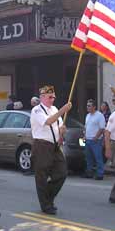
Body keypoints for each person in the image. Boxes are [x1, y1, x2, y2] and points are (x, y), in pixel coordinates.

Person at [30, 85, 72, 215]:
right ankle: (46, 205)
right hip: (42, 146)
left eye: (53, 97)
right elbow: (48, 121)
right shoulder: (37, 110)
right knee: (42, 176)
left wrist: (62, 131)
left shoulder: (54, 109)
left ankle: (47, 197)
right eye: (49, 97)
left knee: (62, 173)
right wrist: (63, 110)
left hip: (54, 146)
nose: (52, 99)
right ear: (42, 97)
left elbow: (58, 125)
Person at [83, 99, 106, 180]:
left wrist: (96, 137)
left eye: (89, 106)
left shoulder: (99, 115)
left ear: (94, 107)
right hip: (88, 139)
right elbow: (86, 127)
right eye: (87, 105)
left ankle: (100, 174)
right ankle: (89, 172)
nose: (87, 107)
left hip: (96, 140)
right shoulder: (87, 116)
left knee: (98, 157)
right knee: (88, 157)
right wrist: (84, 135)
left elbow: (102, 128)